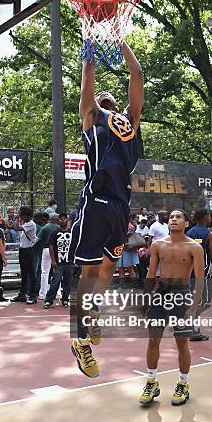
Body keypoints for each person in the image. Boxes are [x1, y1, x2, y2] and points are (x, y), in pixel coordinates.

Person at [69, 41, 144, 378]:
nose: (106, 98)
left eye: (109, 98)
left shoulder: (129, 124)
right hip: (96, 202)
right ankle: (79, 340)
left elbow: (138, 75)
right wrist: (90, 53)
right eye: (101, 98)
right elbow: (88, 87)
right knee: (88, 273)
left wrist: (120, 38)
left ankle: (93, 312)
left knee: (109, 268)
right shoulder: (92, 120)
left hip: (119, 206)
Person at [139, 210, 204, 406]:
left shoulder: (194, 247)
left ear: (186, 223)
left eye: (178, 217)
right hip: (161, 293)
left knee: (182, 343)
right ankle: (151, 381)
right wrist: (145, 298)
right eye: (171, 217)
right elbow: (151, 273)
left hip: (182, 294)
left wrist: (194, 307)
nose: (174, 219)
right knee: (153, 340)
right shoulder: (158, 245)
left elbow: (199, 279)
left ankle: (183, 384)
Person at [186, 208, 212, 340]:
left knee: (195, 302)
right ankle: (190, 327)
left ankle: (193, 329)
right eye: (208, 216)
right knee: (204, 303)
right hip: (203, 272)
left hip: (190, 272)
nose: (210, 218)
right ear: (205, 217)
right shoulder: (209, 234)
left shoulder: (189, 232)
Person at [44, 213, 73, 309]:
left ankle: (65, 299)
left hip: (69, 262)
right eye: (61, 219)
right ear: (58, 221)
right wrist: (53, 260)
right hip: (58, 262)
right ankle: (49, 300)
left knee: (67, 282)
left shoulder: (71, 232)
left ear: (67, 220)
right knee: (55, 281)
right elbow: (51, 246)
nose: (63, 220)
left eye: (65, 219)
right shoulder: (54, 232)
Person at [11, 206, 38, 304]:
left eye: (22, 215)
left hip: (28, 251)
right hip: (23, 250)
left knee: (31, 273)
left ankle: (33, 295)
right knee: (24, 273)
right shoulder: (27, 223)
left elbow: (16, 228)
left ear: (27, 216)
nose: (21, 216)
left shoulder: (30, 224)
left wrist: (17, 218)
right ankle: (22, 294)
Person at [37, 212, 59, 299]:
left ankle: (43, 294)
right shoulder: (59, 228)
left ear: (50, 219)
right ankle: (57, 293)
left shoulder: (45, 228)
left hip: (46, 249)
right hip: (57, 251)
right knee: (57, 272)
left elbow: (37, 239)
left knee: (45, 272)